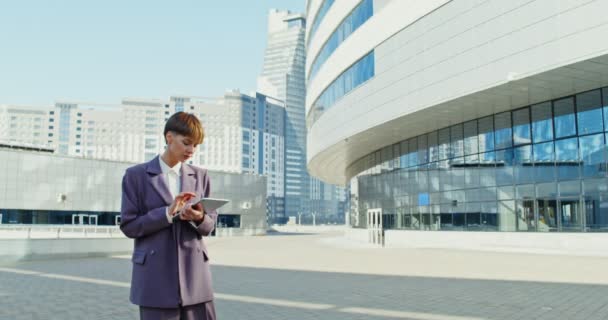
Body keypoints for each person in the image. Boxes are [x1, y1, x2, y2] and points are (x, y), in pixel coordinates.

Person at [120, 111, 217, 320]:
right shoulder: (136, 176)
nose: (191, 150)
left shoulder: (201, 176)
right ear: (169, 137)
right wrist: (166, 213)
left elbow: (210, 226)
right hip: (155, 280)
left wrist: (198, 217)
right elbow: (129, 226)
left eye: (196, 145)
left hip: (196, 280)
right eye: (187, 143)